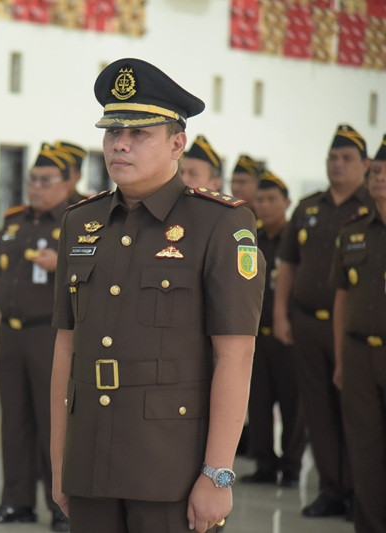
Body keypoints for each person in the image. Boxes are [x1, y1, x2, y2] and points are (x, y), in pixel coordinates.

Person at [50, 58, 264, 533]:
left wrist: (217, 473)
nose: (120, 144)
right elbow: (66, 347)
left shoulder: (219, 223)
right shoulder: (80, 223)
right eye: (112, 131)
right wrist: (60, 461)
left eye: (139, 133)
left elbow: (236, 355)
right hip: (89, 460)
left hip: (170, 468)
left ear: (177, 144)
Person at [273, 124, 372, 520]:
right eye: (332, 158)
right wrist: (280, 313)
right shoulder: (308, 208)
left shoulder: (371, 209)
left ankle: (361, 495)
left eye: (347, 158)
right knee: (317, 411)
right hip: (307, 324)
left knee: (357, 414)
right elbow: (288, 265)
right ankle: (332, 489)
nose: (337, 165)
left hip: (349, 329)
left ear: (366, 164)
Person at [0, 145, 72, 532]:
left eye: (45, 181)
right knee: (13, 421)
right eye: (33, 179)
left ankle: (61, 507)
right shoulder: (15, 220)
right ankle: (16, 502)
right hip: (10, 335)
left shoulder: (77, 220)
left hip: (50, 334)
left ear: (67, 183)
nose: (36, 187)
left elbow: (99, 274)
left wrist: (61, 262)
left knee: (52, 422)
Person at [330, 134, 386, 533]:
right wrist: (340, 359)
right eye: (377, 171)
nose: (380, 177)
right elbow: (342, 299)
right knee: (364, 451)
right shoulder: (353, 232)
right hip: (359, 355)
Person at [241, 171, 306, 487]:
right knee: (258, 402)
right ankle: (264, 464)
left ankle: (291, 467)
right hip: (255, 335)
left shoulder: (295, 241)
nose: (265, 206)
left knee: (293, 403)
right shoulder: (249, 239)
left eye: (272, 200)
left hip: (288, 336)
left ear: (287, 202)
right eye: (260, 200)